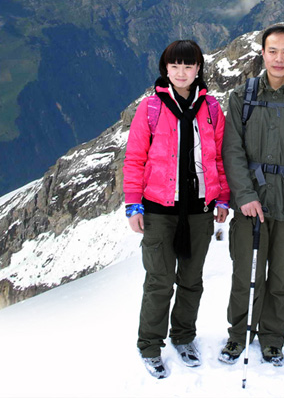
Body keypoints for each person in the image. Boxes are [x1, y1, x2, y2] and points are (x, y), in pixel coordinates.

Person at [219, 23, 284, 367]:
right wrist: (245, 195)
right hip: (253, 204)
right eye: (273, 51)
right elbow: (232, 151)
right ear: (262, 53)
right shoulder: (242, 98)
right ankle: (239, 335)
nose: (279, 59)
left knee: (281, 277)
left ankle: (272, 338)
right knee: (245, 275)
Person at [123, 39, 230, 379]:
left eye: (189, 65)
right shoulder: (151, 108)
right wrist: (133, 204)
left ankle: (183, 337)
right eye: (175, 65)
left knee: (191, 280)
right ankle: (150, 345)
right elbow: (135, 158)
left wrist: (222, 197)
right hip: (158, 211)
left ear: (199, 68)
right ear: (165, 69)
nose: (182, 72)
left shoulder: (211, 108)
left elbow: (219, 158)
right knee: (158, 281)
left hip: (199, 210)